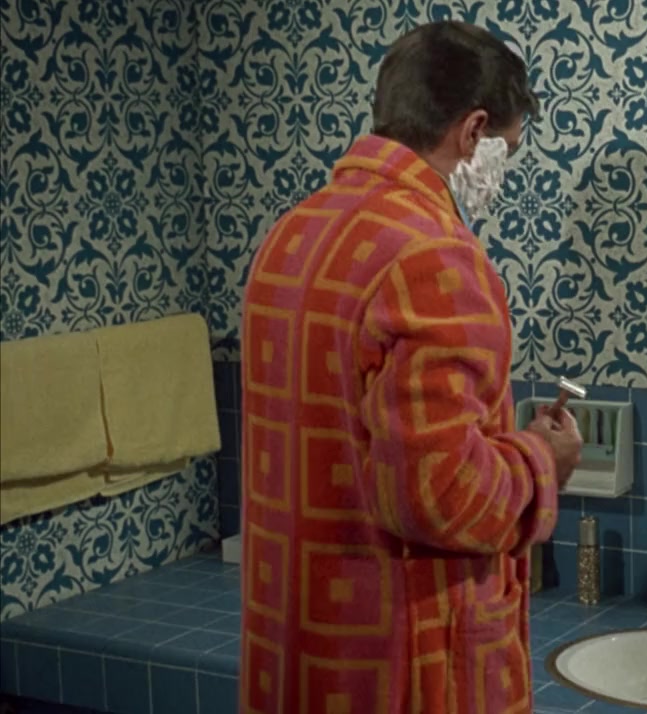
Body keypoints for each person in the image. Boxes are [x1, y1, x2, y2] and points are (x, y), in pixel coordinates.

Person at [238, 21, 583, 714]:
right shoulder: (433, 256)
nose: (503, 176)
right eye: (509, 151)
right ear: (473, 131)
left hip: (298, 651)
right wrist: (543, 459)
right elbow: (442, 495)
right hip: (408, 668)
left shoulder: (290, 234)